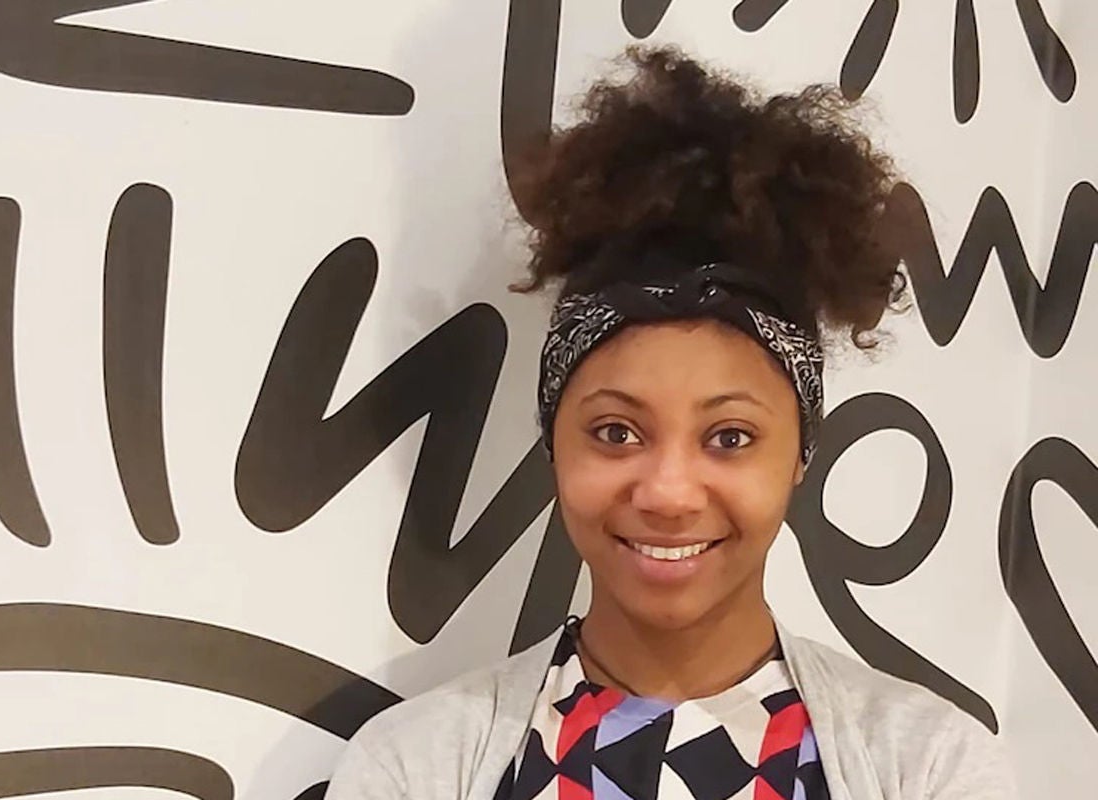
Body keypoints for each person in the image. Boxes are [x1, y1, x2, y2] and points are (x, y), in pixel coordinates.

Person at [325, 46, 1014, 800]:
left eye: (730, 438)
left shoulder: (930, 768)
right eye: (616, 433)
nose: (669, 492)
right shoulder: (415, 767)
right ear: (554, 444)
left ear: (800, 454)